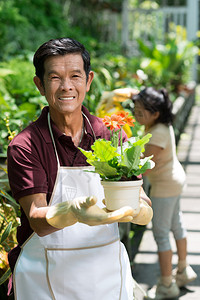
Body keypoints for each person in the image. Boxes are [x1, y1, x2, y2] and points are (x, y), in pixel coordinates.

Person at [7, 37, 153, 300]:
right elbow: (37, 220)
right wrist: (73, 211)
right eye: (55, 78)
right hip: (44, 279)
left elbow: (141, 198)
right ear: (39, 84)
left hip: (106, 275)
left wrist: (138, 210)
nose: (66, 87)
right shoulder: (26, 145)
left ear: (88, 80)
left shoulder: (110, 135)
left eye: (75, 76)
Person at [132, 87, 197, 300]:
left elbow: (145, 167)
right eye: (136, 109)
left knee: (160, 234)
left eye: (140, 112)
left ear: (155, 113)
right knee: (176, 224)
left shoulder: (157, 133)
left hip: (165, 187)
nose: (135, 114)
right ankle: (183, 270)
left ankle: (167, 284)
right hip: (174, 181)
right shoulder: (160, 124)